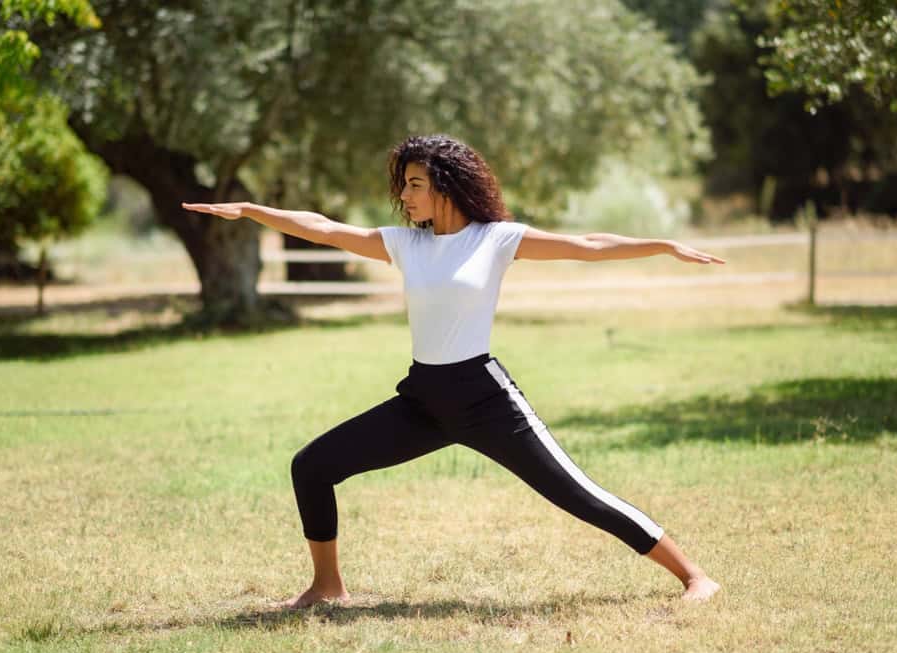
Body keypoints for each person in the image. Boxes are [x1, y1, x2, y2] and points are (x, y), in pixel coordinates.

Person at [182, 134, 723, 609]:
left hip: (485, 400)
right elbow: (322, 228)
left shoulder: (496, 238)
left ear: (446, 184)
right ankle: (327, 586)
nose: (405, 196)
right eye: (404, 185)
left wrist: (664, 245)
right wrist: (253, 210)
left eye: (416, 184)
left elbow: (587, 246)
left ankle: (694, 576)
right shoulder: (404, 244)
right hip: (423, 401)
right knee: (312, 466)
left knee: (577, 493)